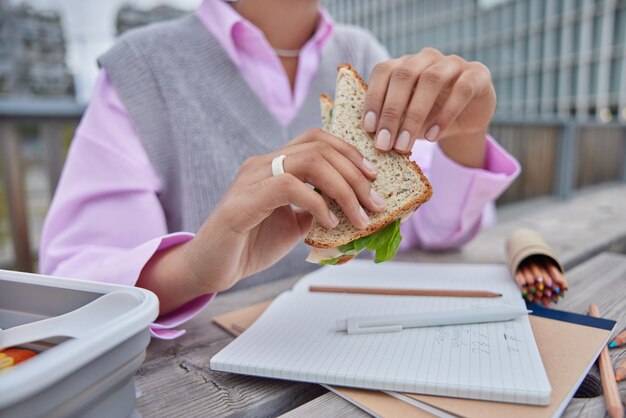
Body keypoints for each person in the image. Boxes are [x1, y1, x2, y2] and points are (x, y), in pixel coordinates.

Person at [40, 0, 520, 338]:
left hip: (366, 340)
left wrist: (465, 135)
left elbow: (434, 231)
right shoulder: (143, 67)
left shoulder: (364, 54)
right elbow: (75, 290)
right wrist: (193, 269)